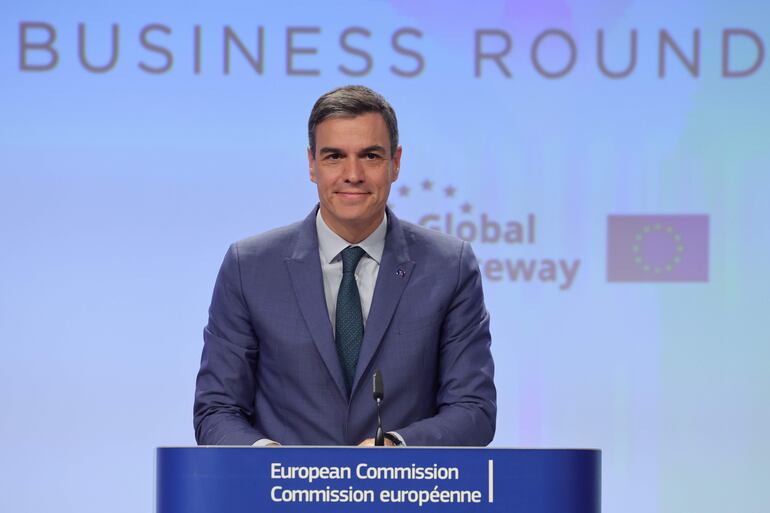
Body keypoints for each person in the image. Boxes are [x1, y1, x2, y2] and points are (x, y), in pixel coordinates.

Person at [194, 85, 495, 446]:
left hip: (400, 481)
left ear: (396, 163)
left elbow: (473, 409)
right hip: (283, 482)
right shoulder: (249, 267)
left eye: (370, 156)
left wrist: (397, 447)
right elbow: (217, 409)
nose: (353, 174)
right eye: (334, 156)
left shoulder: (449, 267)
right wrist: (270, 461)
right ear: (312, 164)